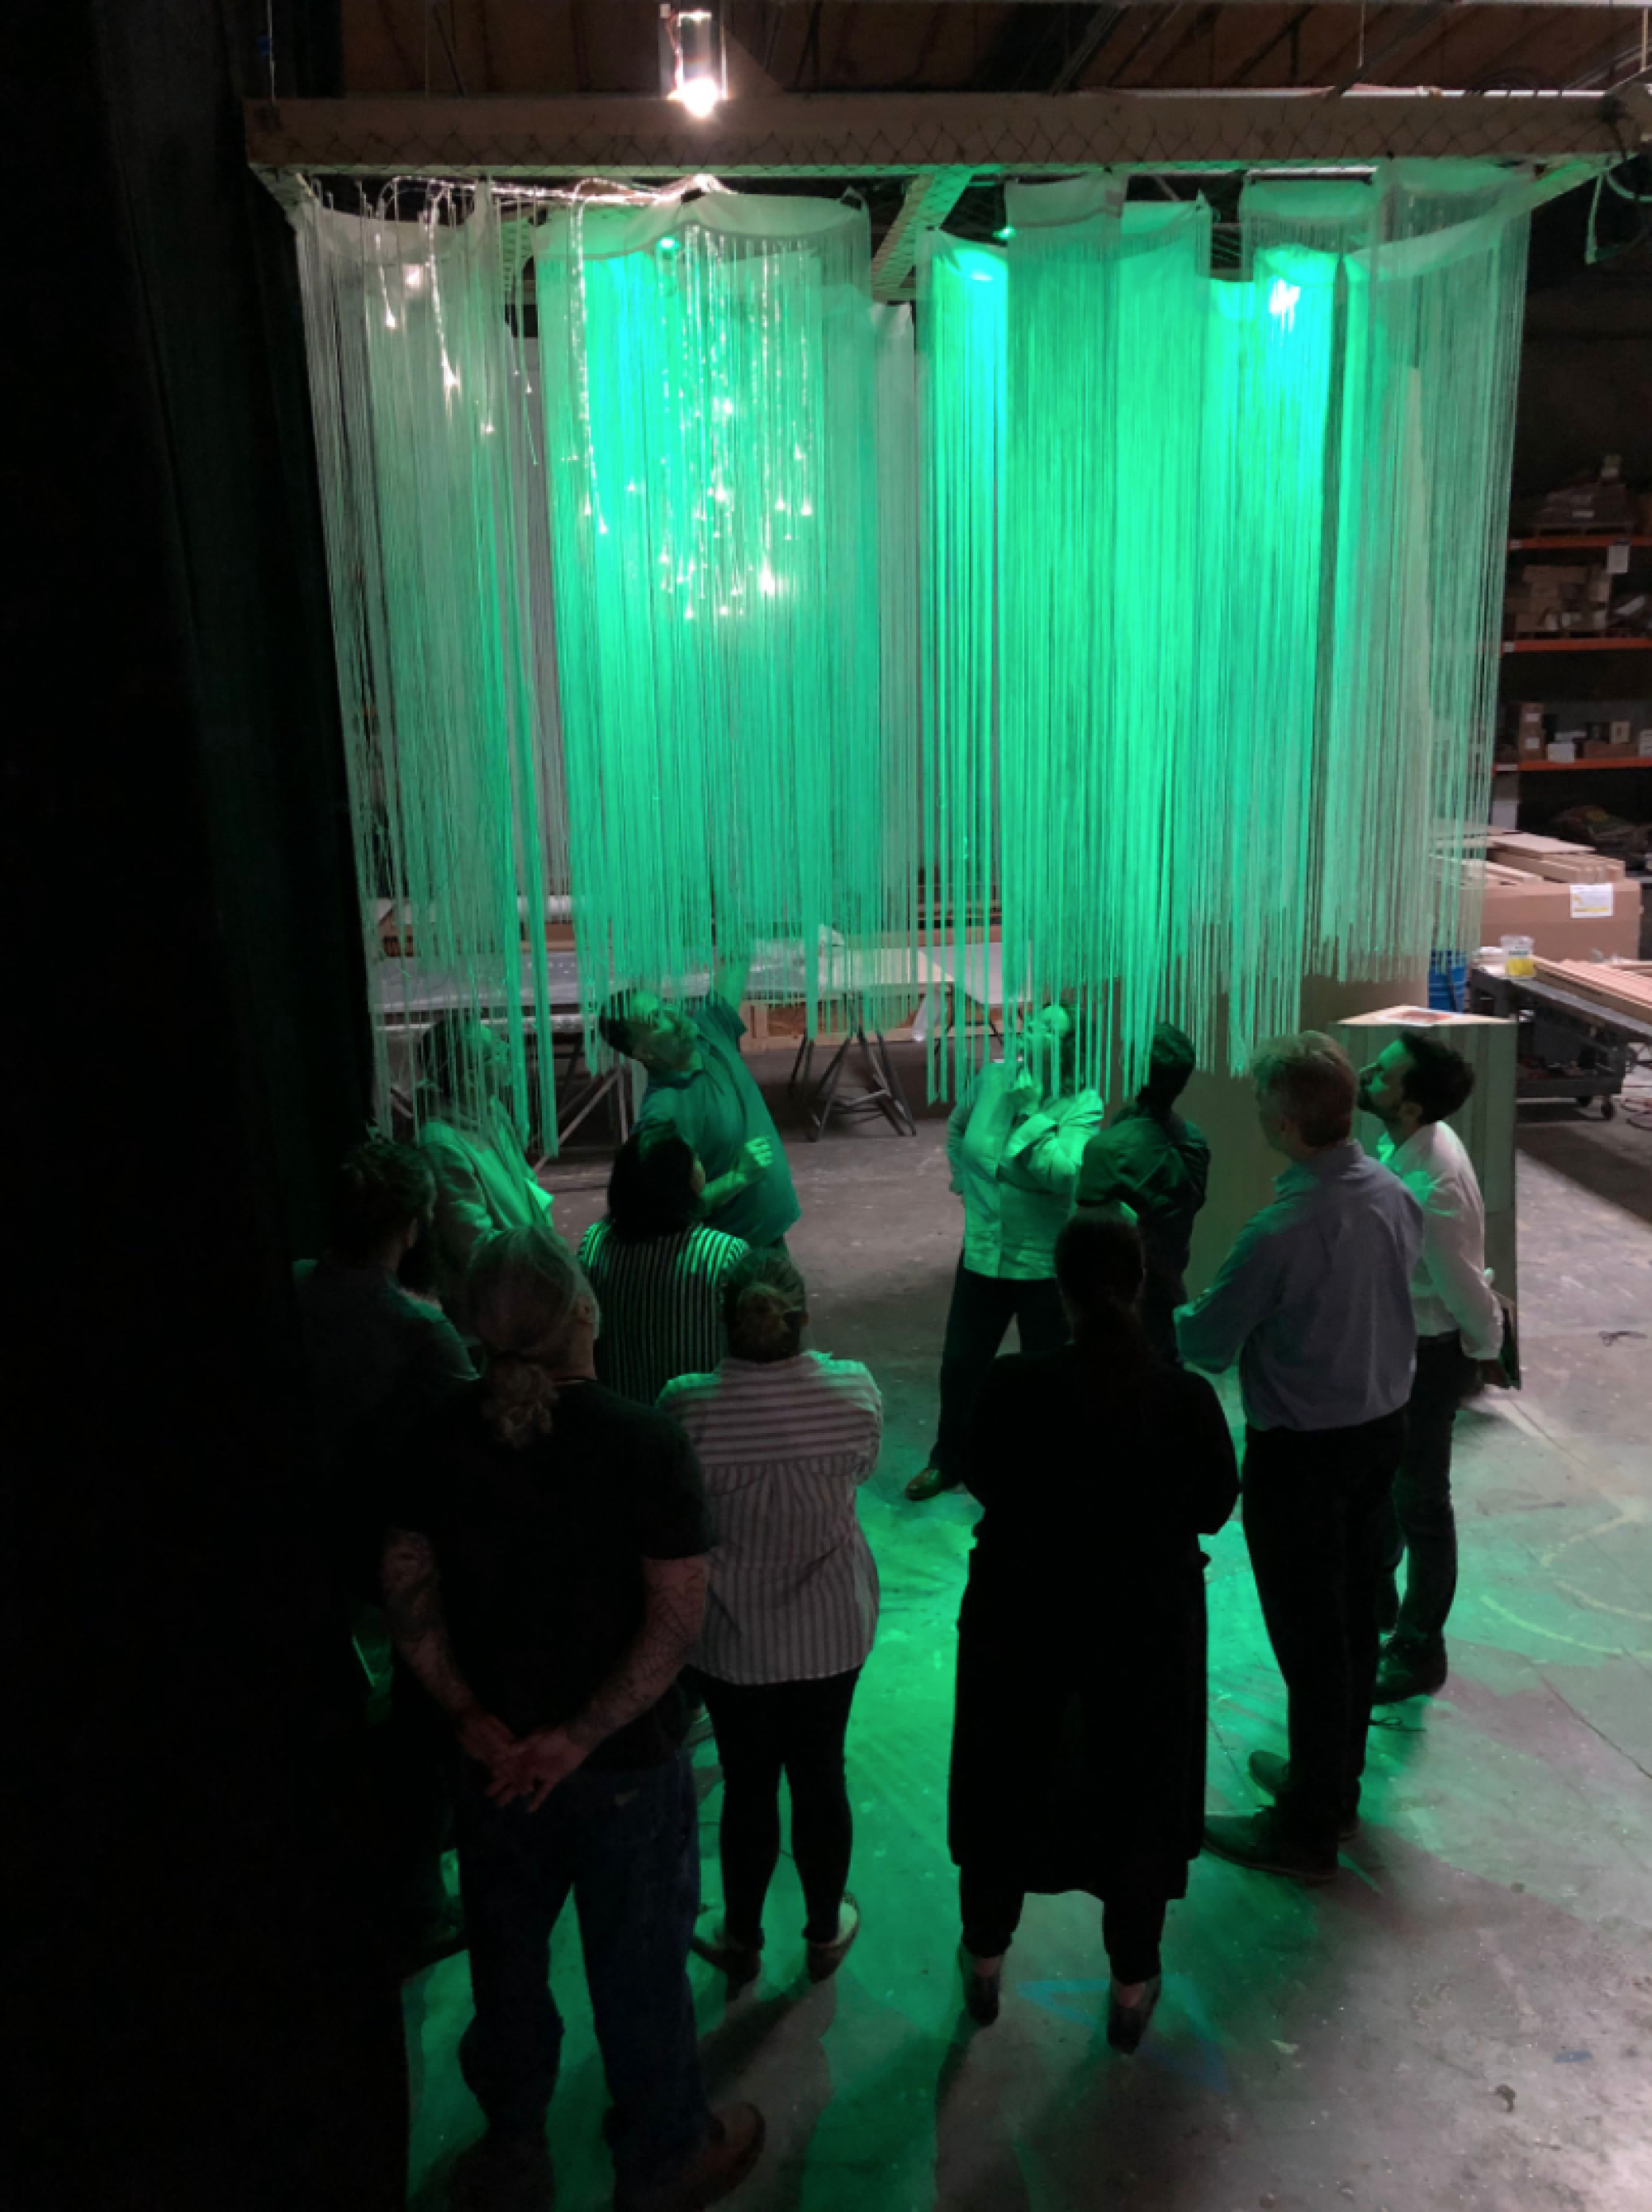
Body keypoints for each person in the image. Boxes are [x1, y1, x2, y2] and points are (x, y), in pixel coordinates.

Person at [382, 1227, 764, 2212]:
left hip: (492, 1767)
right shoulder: (644, 1441)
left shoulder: (429, 1440)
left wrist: (474, 1720)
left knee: (505, 1965)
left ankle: (515, 2148)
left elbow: (409, 1601)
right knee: (639, 1967)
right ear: (583, 1311)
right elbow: (674, 1618)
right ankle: (662, 2153)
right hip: (623, 1763)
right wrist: (581, 1735)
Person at [949, 1211, 1238, 2052]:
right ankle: (1129, 1979)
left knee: (1008, 1777)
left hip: (1020, 1617)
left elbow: (983, 1474)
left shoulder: (1011, 1386)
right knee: (1136, 1792)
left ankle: (985, 1956)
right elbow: (1217, 1502)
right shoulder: (1183, 1398)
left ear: (1060, 1286)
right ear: (1138, 1282)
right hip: (1145, 1625)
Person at [1175, 1033, 1423, 1884]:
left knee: (1312, 1641)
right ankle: (1333, 1784)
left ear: (1283, 1122)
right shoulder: (1391, 1191)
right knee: (1353, 1621)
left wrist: (1162, 1309)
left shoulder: (1279, 1229)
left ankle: (1304, 1828)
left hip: (1303, 1459)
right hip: (1377, 1435)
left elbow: (1206, 1343)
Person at [658, 1253, 882, 1989]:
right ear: (803, 1317)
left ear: (722, 1320)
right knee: (822, 1776)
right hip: (833, 1629)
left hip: (731, 1641)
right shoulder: (853, 1391)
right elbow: (862, 1471)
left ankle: (742, 1937)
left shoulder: (687, 1406)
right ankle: (823, 1934)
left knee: (749, 1785)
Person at [292, 1137, 476, 1970]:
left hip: (308, 1544)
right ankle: (419, 1901)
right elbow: (465, 1443)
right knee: (420, 1728)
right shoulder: (421, 1332)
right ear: (409, 1224)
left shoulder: (292, 1292)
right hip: (394, 1555)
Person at [1357, 1032, 1511, 1704]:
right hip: (1406, 1346)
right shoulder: (1410, 1146)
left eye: (1384, 1075)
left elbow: (1459, 1283)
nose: (1368, 1075)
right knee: (1393, 1483)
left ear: (1412, 1108)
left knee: (1422, 1503)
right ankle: (1380, 1607)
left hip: (1431, 1353)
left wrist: (1486, 1348)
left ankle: (1421, 1650)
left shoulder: (1433, 1180)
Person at [908, 1001, 1104, 1502]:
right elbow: (958, 1128)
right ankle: (949, 1460)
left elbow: (1063, 1176)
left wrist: (1032, 1113)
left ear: (1066, 1048)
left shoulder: (1082, 1102)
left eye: (1044, 1028)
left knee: (1045, 1375)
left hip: (1040, 1261)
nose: (1026, 1029)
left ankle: (1044, 1473)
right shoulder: (993, 1077)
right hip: (982, 1251)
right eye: (1031, 1020)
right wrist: (962, 1179)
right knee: (961, 1365)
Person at [600, 948, 798, 1252]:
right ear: (644, 1053)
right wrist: (738, 1177)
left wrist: (717, 901)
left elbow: (737, 953)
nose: (674, 1015)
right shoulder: (663, 1114)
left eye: (664, 1004)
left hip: (770, 1234)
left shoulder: (710, 1031)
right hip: (731, 1257)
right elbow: (663, 1212)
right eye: (656, 1020)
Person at [577, 1128, 749, 1408]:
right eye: (692, 1157)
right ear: (681, 1185)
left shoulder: (595, 1243)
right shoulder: (724, 1255)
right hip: (699, 1420)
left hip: (624, 1417)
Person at [1074, 1023, 1210, 1362]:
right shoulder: (1195, 1143)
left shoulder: (1106, 1149)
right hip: (1170, 1291)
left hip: (1118, 1307)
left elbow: (1087, 1231)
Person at [416, 1010, 558, 1334]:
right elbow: (475, 1247)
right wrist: (544, 1259)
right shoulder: (442, 1145)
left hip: (533, 1280)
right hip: (498, 1310)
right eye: (495, 1051)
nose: (509, 1053)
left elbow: (527, 1183)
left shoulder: (490, 1109)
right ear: (470, 1076)